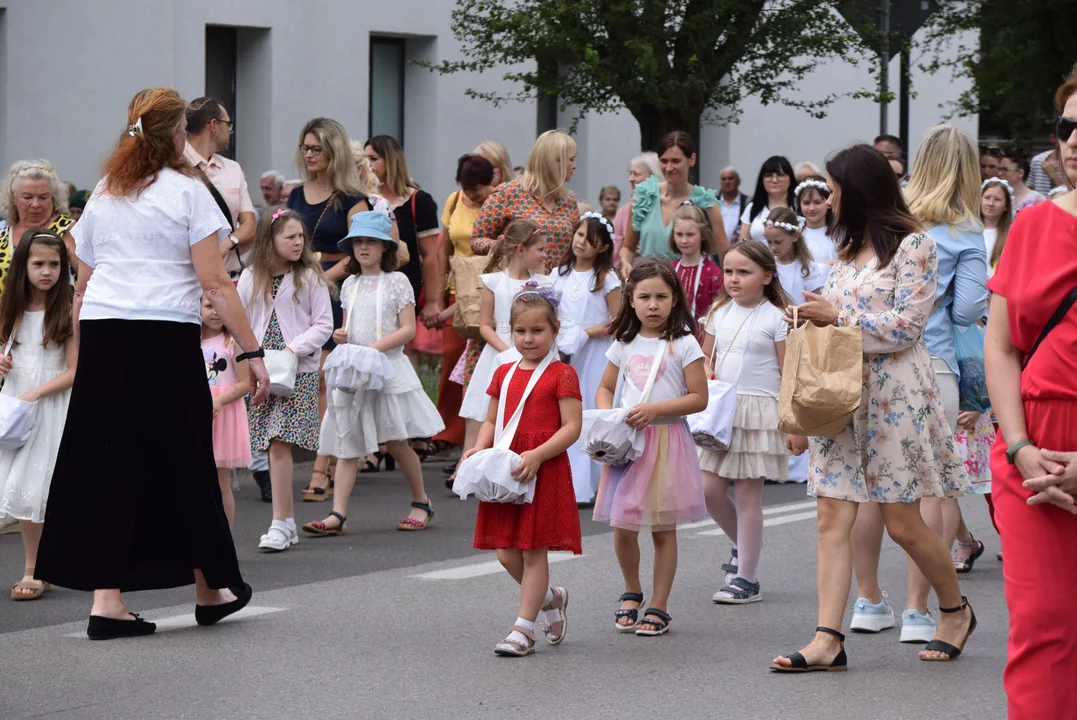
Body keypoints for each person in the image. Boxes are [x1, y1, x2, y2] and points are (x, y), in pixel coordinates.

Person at [34, 87, 270, 640]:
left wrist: (85, 349)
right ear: (177, 135)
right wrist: (252, 351)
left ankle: (108, 601)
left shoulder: (105, 194)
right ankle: (210, 589)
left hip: (106, 337)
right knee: (184, 460)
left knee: (108, 465)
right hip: (163, 338)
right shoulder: (187, 194)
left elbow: (84, 284)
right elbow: (215, 281)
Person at [770, 144, 974, 673]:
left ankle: (954, 610)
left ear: (857, 189)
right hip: (839, 394)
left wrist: (836, 314)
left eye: (834, 188)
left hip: (893, 397)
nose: (828, 199)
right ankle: (826, 639)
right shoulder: (841, 251)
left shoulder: (915, 245)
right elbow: (841, 319)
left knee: (903, 523)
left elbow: (907, 327)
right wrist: (812, 317)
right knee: (830, 515)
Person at [849, 124, 988, 644]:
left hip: (868, 359)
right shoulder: (965, 230)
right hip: (934, 363)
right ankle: (917, 608)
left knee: (865, 486)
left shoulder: (889, 219)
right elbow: (972, 307)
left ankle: (866, 600)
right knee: (932, 487)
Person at [983, 67, 1077, 717]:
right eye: (1068, 126)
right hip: (1032, 447)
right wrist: (1017, 448)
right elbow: (1000, 347)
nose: (1074, 140)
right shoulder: (1033, 223)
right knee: (1041, 625)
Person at [305, 212, 441, 537]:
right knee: (348, 439)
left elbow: (408, 330)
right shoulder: (350, 284)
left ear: (385, 247)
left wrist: (375, 348)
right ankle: (338, 513)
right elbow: (350, 327)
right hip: (355, 369)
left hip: (386, 368)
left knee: (395, 441)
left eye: (371, 241)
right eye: (358, 242)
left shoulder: (397, 281)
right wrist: (341, 336)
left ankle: (421, 501)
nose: (363, 247)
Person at [462, 285, 582, 656]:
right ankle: (550, 598)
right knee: (506, 553)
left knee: (533, 551)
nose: (528, 339)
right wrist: (479, 447)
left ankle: (523, 629)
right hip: (506, 471)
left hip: (541, 470)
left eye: (537, 331)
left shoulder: (562, 374)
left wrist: (538, 455)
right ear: (511, 331)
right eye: (521, 332)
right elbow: (491, 420)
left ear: (555, 330)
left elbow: (572, 427)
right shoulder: (503, 372)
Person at [593, 258, 709, 637]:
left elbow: (698, 398)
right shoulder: (624, 342)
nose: (653, 305)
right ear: (631, 299)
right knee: (623, 526)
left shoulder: (685, 343)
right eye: (644, 297)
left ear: (675, 299)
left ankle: (659, 605)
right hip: (629, 445)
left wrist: (656, 409)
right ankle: (632, 590)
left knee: (662, 529)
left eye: (661, 296)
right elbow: (606, 385)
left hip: (666, 443)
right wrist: (611, 412)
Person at [288, 118, 394, 496]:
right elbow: (285, 241)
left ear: (333, 152)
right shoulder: (296, 195)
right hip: (303, 291)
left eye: (317, 148)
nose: (310, 155)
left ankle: (324, 465)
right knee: (314, 379)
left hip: (337, 291)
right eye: (305, 148)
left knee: (329, 380)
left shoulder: (353, 199)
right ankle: (330, 457)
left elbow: (358, 252)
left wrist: (323, 278)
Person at [699, 241, 802, 604]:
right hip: (720, 409)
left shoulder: (777, 316)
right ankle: (741, 545)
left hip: (758, 411)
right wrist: (706, 372)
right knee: (708, 491)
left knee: (747, 495)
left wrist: (794, 424)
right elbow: (704, 359)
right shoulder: (717, 312)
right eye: (729, 271)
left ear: (767, 276)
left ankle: (747, 578)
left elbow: (789, 372)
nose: (734, 279)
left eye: (744, 272)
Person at [240, 208, 333, 552]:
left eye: (300, 236)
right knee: (266, 442)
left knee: (279, 441)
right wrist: (250, 358)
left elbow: (323, 325)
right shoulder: (251, 277)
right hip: (261, 369)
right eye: (289, 237)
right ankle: (285, 522)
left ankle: (281, 523)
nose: (298, 243)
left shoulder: (309, 276)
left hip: (298, 370)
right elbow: (242, 322)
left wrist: (292, 349)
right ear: (270, 240)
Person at [0, 231, 76, 601]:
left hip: (51, 404)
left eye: (54, 264)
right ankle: (34, 567)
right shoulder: (9, 307)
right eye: (38, 264)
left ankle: (52, 565)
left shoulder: (69, 308)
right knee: (24, 489)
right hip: (16, 405)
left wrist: (37, 392)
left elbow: (76, 370)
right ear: (22, 266)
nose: (47, 272)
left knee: (45, 487)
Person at [426, 154, 496, 457]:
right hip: (458, 289)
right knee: (452, 359)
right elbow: (444, 250)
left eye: (476, 189)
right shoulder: (454, 201)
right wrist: (438, 297)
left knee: (481, 367)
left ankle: (477, 435)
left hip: (486, 290)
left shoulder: (498, 203)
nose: (471, 194)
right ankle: (446, 430)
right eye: (467, 188)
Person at [551, 212, 622, 504]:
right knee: (565, 413)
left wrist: (586, 333)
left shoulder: (605, 278)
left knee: (590, 411)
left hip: (594, 353)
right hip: (563, 349)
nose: (581, 243)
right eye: (579, 235)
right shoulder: (559, 273)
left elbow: (618, 321)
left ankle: (595, 483)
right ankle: (570, 483)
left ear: (602, 248)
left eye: (590, 240)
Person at [460, 220, 552, 427]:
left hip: (535, 351)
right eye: (540, 249)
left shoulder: (545, 283)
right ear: (521, 249)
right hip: (499, 353)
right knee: (485, 416)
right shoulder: (494, 282)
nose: (545, 254)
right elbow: (485, 324)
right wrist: (506, 351)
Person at [472, 130, 579, 272]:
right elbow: (477, 240)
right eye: (571, 159)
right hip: (518, 286)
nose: (575, 165)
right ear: (555, 162)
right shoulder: (509, 192)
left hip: (558, 288)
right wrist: (506, 247)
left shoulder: (569, 200)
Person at [620, 131, 727, 273]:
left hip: (689, 285)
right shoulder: (644, 196)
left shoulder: (705, 203)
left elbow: (724, 254)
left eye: (676, 161)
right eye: (664, 161)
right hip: (648, 282)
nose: (669, 168)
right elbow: (628, 247)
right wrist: (625, 263)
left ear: (692, 159)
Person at [364, 136, 439, 326]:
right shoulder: (362, 200)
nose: (367, 165)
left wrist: (431, 302)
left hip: (402, 287)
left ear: (391, 160)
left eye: (373, 158)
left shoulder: (418, 200)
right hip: (365, 285)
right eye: (364, 159)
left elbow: (430, 256)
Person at [184, 98, 255, 275]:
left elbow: (250, 224)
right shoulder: (175, 165)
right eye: (228, 125)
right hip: (189, 282)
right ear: (214, 125)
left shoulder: (233, 169)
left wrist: (228, 242)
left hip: (229, 277)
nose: (230, 132)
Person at [200, 295, 251, 528]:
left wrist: (219, 401)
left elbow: (244, 384)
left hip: (224, 416)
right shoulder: (192, 342)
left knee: (221, 482)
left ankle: (225, 537)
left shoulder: (232, 342)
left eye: (221, 307)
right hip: (199, 414)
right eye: (209, 306)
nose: (215, 312)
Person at [0, 160, 76, 296]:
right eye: (27, 197)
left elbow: (86, 281)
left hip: (55, 315)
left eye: (43, 197)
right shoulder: (2, 235)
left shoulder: (69, 230)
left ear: (53, 199)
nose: (35, 204)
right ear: (13, 199)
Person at [764, 207, 830, 305]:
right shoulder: (767, 266)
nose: (773, 247)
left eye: (778, 242)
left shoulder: (807, 269)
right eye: (769, 242)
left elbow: (815, 304)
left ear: (795, 236)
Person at [669, 204, 722, 320]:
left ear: (702, 235)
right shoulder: (669, 270)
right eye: (679, 234)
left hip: (703, 335)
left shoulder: (713, 273)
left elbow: (719, 313)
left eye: (690, 235)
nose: (684, 240)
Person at [613, 153, 664, 259]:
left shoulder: (667, 206)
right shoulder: (624, 212)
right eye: (630, 173)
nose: (630, 179)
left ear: (654, 176)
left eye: (636, 174)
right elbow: (617, 253)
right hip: (635, 272)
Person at [739, 156, 796, 242]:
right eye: (768, 176)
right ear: (762, 180)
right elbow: (743, 242)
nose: (774, 180)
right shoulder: (752, 208)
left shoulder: (798, 207)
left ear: (790, 179)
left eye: (780, 175)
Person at [795, 176, 837, 264]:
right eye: (806, 203)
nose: (811, 208)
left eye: (817, 202)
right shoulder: (795, 234)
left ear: (828, 201)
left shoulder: (838, 234)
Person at [999, 149, 1046, 214]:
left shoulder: (1037, 199)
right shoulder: (997, 196)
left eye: (1005, 170)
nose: (1000, 173)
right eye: (999, 169)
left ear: (1020, 173)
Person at [980, 177, 1013, 270]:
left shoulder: (1010, 235)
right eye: (987, 198)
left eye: (997, 199)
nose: (990, 203)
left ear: (1006, 206)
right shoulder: (970, 231)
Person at [717, 166, 748, 247]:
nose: (727, 182)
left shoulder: (747, 203)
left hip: (740, 250)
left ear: (739, 181)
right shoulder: (712, 203)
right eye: (723, 179)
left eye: (730, 178)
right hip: (714, 253)